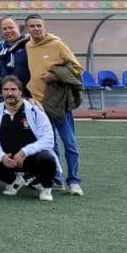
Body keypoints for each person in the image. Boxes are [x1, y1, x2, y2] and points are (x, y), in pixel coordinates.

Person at [24, 14, 84, 195]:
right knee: (50, 144)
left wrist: (55, 75)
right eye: (32, 26)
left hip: (57, 103)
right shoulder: (28, 45)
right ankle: (56, 179)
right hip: (39, 104)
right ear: (27, 29)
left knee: (69, 142)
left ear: (44, 26)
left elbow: (77, 68)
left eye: (38, 25)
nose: (36, 29)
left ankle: (74, 181)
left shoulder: (57, 44)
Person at [0, 76, 57, 201]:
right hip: (8, 160)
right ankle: (13, 181)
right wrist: (1, 156)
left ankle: (46, 187)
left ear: (21, 91)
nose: (10, 93)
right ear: (1, 92)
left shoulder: (35, 110)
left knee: (47, 158)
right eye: (6, 89)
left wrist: (24, 152)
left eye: (13, 89)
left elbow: (49, 139)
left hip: (30, 159)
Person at [0, 17, 29, 85]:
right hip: (8, 91)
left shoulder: (29, 43)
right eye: (4, 29)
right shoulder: (0, 48)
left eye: (11, 27)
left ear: (18, 27)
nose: (8, 31)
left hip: (28, 92)